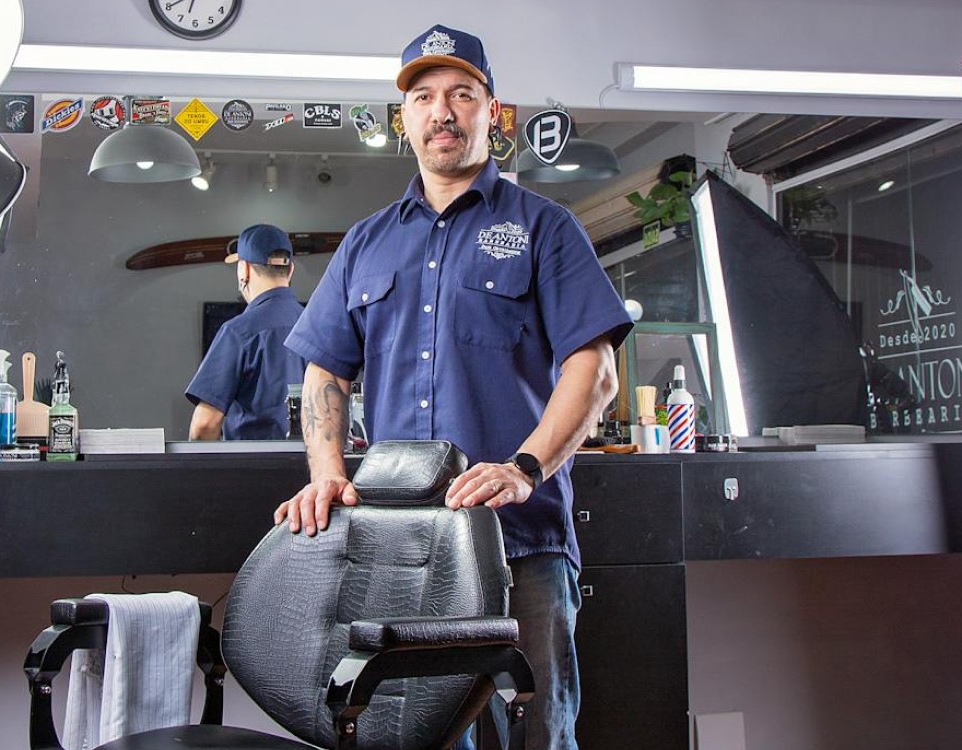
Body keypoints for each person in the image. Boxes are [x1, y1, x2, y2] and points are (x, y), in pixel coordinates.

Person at [277, 24, 633, 749]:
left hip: (521, 546)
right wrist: (325, 472)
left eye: (462, 94)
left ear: (492, 114)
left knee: (539, 734)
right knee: (415, 737)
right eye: (426, 97)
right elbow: (325, 369)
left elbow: (595, 372)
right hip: (403, 543)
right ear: (403, 119)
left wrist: (524, 466)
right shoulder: (366, 243)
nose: (443, 111)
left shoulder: (546, 229)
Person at [184, 224, 305, 440]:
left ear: (244, 270)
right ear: (291, 270)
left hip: (254, 469)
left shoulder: (239, 332)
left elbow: (205, 425)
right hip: (316, 468)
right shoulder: (317, 326)